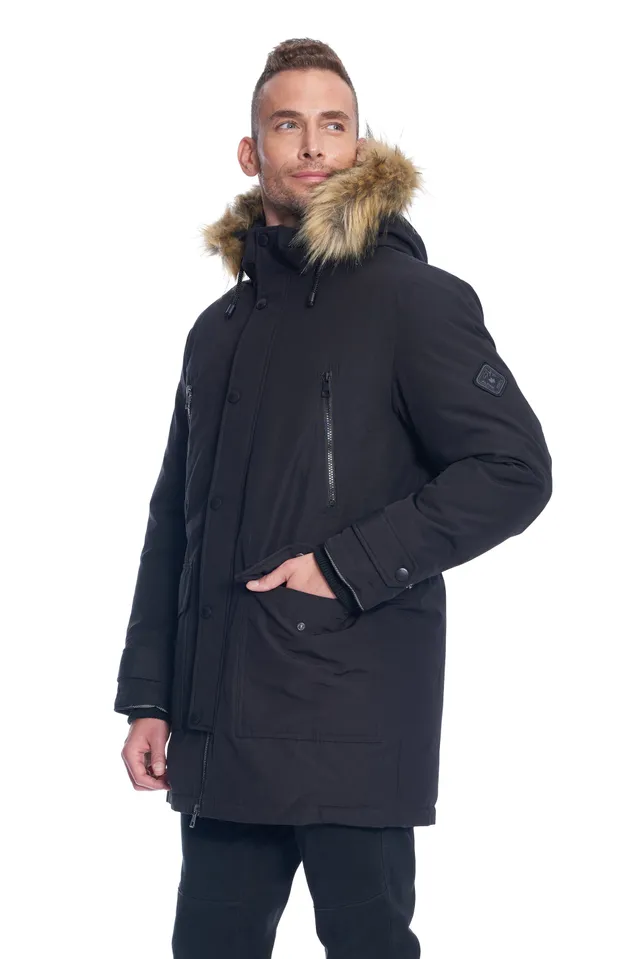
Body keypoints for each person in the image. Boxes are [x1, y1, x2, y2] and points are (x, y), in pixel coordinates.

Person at [114, 37, 553, 959]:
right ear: (252, 151)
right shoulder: (216, 333)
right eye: (288, 124)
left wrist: (343, 566)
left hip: (352, 722)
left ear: (360, 144)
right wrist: (149, 697)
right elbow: (173, 526)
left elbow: (513, 468)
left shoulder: (412, 299)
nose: (313, 145)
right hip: (223, 730)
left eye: (334, 124)